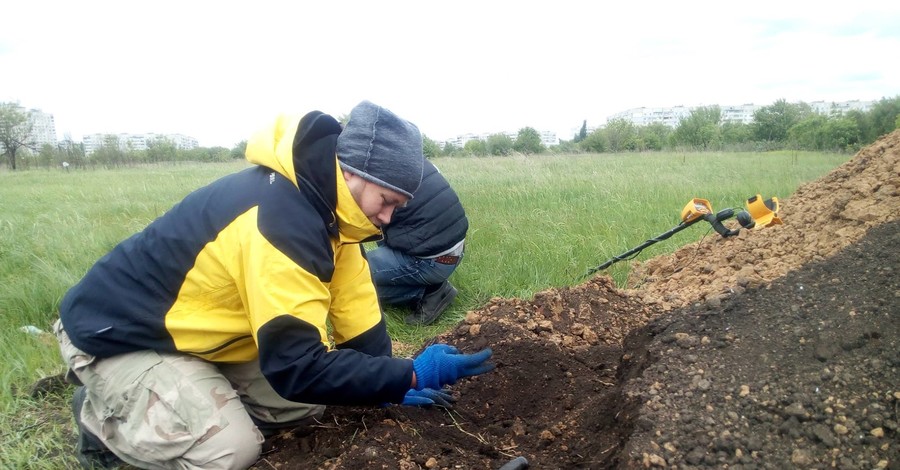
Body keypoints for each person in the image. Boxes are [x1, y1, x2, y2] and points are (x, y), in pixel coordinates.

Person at [54, 100, 494, 470]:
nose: (388, 219)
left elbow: (357, 313)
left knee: (304, 406)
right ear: (354, 173)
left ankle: (190, 401)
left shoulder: (336, 219)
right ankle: (102, 425)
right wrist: (413, 371)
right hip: (120, 337)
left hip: (198, 336)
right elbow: (296, 366)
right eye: (388, 202)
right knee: (229, 449)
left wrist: (392, 384)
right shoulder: (281, 222)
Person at [367, 158, 468, 325]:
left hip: (432, 260)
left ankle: (428, 291)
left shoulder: (370, 173)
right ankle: (432, 287)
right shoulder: (409, 157)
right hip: (454, 250)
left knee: (350, 276)